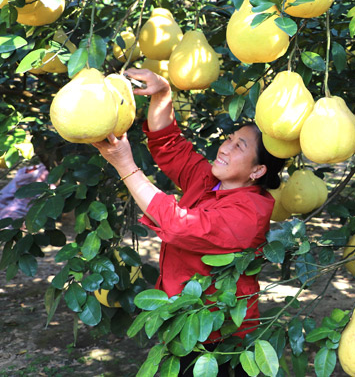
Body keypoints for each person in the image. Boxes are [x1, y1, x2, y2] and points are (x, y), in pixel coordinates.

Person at [92, 68, 286, 376]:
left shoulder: (249, 214)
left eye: (240, 147)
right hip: (182, 318)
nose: (225, 147)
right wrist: (161, 94)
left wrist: (126, 165)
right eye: (230, 138)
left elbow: (180, 224)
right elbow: (170, 145)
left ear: (258, 171)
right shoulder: (210, 179)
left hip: (218, 335)